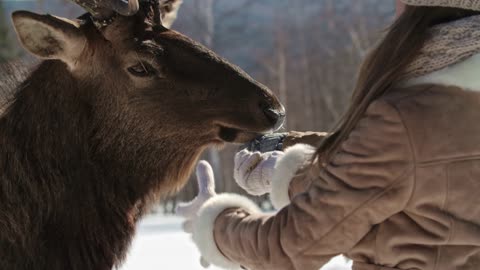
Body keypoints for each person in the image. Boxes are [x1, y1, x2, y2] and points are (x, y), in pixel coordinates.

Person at [178, 1, 480, 269]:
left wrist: (212, 222)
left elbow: (286, 249)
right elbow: (410, 168)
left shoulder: (406, 117)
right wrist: (290, 166)